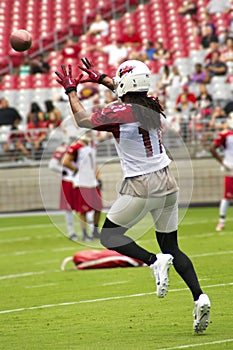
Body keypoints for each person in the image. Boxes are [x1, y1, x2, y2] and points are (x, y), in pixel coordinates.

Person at [55, 58, 211, 333]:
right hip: (167, 181)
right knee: (172, 247)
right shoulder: (152, 103)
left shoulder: (120, 110)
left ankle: (153, 261)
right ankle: (200, 296)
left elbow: (82, 120)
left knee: (110, 237)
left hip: (142, 183)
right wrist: (102, 78)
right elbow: (128, 92)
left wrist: (71, 90)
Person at [62, 135, 103, 240]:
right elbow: (66, 161)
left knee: (98, 208)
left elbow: (94, 164)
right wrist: (76, 170)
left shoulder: (92, 145)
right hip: (82, 182)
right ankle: (85, 234)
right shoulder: (76, 146)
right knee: (83, 210)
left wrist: (97, 177)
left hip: (92, 181)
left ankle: (95, 231)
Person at [49, 142, 78, 241]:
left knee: (86, 207)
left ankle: (87, 232)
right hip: (71, 180)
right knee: (70, 208)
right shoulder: (63, 148)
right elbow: (52, 165)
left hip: (78, 179)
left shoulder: (83, 146)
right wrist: (63, 170)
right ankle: (73, 232)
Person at [210, 112, 233, 231]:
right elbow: (212, 148)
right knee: (227, 196)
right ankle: (221, 221)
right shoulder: (225, 135)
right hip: (231, 169)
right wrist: (223, 162)